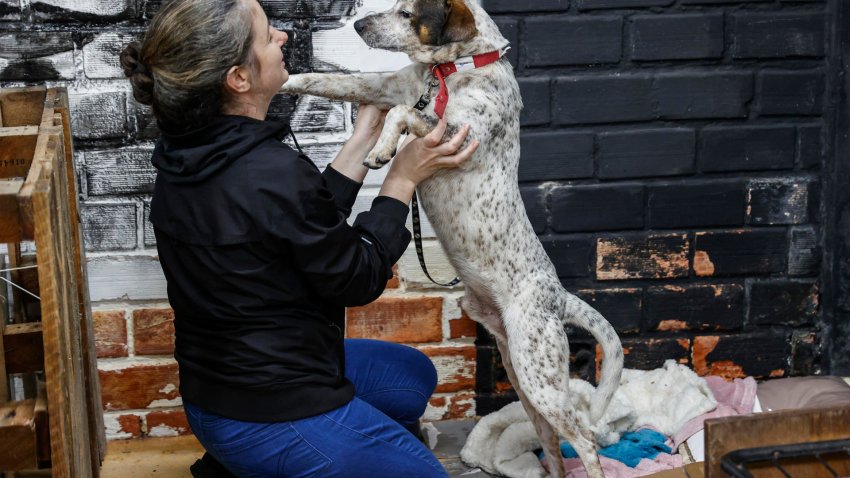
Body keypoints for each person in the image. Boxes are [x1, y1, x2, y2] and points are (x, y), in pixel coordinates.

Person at [119, 0, 479, 476]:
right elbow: (356, 277)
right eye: (267, 36)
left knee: (410, 378)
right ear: (239, 78)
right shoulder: (270, 172)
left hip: (220, 394)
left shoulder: (188, 151)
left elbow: (297, 225)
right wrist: (402, 178)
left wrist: (363, 137)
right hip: (269, 411)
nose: (283, 37)